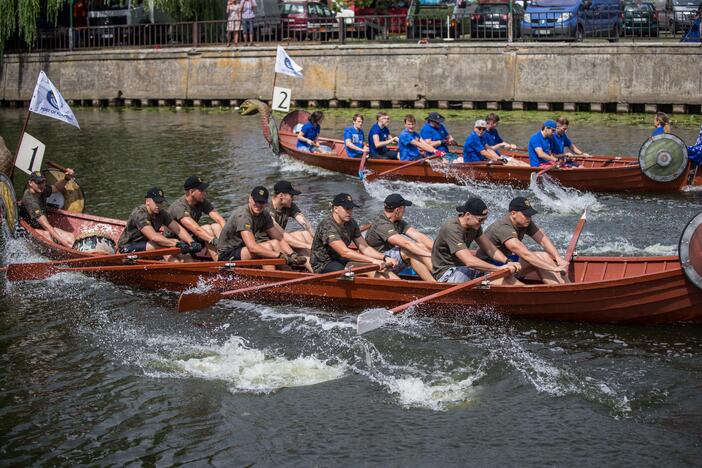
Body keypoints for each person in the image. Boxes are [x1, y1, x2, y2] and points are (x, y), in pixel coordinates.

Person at [475, 196, 569, 285]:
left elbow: (543, 239)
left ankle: (565, 290)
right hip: (489, 271)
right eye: (526, 215)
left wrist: (558, 258)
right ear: (513, 214)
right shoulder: (503, 228)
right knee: (520, 286)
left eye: (530, 215)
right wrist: (553, 268)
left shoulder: (524, 222)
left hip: (511, 264)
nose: (529, 218)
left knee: (543, 256)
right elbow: (526, 254)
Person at [431, 197, 521, 283]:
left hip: (462, 268)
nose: (483, 223)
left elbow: (489, 248)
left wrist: (507, 261)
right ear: (468, 215)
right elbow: (470, 262)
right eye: (480, 219)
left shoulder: (474, 225)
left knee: (495, 275)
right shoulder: (452, 228)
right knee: (491, 275)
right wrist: (498, 269)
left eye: (484, 219)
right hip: (446, 274)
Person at [217, 186, 306, 270]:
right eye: (256, 201)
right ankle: (273, 280)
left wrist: (292, 254)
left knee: (274, 242)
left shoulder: (264, 214)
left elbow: (279, 238)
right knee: (267, 247)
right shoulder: (243, 216)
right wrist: (279, 255)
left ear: (266, 203)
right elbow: (252, 248)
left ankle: (288, 274)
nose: (259, 205)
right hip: (226, 255)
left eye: (262, 202)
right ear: (250, 199)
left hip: (242, 250)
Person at [310, 193, 398, 277]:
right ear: (335, 209)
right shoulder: (327, 225)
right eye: (346, 208)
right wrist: (373, 260)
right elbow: (344, 252)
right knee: (369, 269)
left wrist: (385, 258)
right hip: (323, 265)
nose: (350, 212)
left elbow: (365, 248)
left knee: (378, 268)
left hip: (342, 260)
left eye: (351, 208)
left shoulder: (351, 223)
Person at [365, 193, 436, 282]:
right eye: (404, 208)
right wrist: (430, 254)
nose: (405, 211)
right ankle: (436, 283)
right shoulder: (382, 224)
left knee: (421, 246)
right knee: (407, 250)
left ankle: (442, 275)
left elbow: (420, 237)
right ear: (397, 210)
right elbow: (405, 244)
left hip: (392, 261)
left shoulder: (398, 221)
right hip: (378, 264)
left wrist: (438, 251)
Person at [117, 187, 200, 262]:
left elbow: (178, 229)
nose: (158, 205)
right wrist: (176, 244)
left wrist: (191, 242)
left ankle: (188, 267)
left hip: (146, 245)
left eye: (160, 202)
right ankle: (176, 267)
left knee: (176, 241)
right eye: (156, 202)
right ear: (147, 201)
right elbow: (153, 237)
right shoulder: (139, 214)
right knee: (165, 244)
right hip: (126, 248)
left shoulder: (162, 213)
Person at [167, 175, 226, 260]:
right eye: (201, 190)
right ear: (191, 192)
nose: (204, 193)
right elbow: (196, 230)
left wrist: (231, 235)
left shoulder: (201, 201)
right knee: (207, 229)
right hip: (176, 241)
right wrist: (216, 242)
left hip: (191, 238)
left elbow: (219, 219)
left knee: (216, 226)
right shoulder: (179, 207)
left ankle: (226, 255)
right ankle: (220, 261)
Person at [259, 180, 315, 261]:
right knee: (301, 247)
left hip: (280, 240)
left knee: (306, 233)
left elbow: (304, 222)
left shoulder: (289, 205)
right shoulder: (267, 209)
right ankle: (316, 267)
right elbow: (282, 235)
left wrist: (317, 241)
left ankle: (319, 259)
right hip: (267, 244)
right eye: (291, 196)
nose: (293, 199)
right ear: (281, 196)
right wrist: (308, 246)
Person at [20, 170, 77, 248]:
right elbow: (46, 225)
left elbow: (56, 188)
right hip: (28, 229)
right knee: (49, 238)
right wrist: (64, 243)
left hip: (41, 227)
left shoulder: (42, 189)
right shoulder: (30, 200)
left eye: (43, 182)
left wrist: (66, 179)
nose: (41, 185)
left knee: (70, 237)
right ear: (30, 183)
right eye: (38, 182)